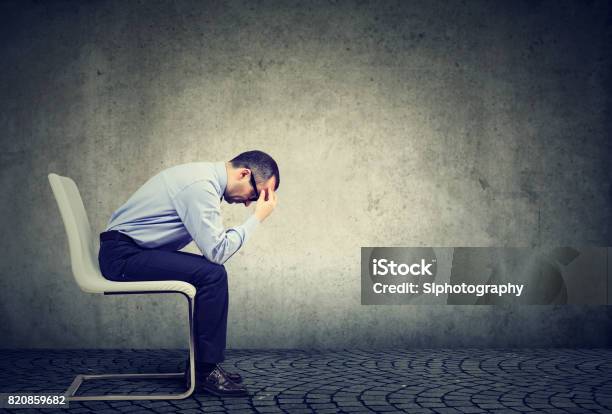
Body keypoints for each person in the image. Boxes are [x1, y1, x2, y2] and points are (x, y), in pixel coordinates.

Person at [97, 150, 279, 397]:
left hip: (130, 250)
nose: (249, 202)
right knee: (212, 274)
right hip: (123, 257)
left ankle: (200, 366)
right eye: (255, 194)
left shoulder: (202, 179)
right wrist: (256, 218)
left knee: (211, 273)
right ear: (244, 173)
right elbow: (217, 251)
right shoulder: (200, 187)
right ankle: (204, 371)